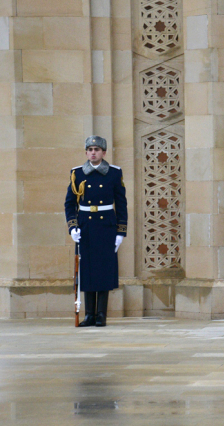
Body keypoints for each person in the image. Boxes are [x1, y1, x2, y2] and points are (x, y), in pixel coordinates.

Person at [65, 136, 128, 327]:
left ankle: (101, 314)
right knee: (87, 270)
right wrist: (73, 227)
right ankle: (89, 315)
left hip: (106, 226)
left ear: (104, 153)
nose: (93, 152)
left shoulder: (114, 173)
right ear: (86, 152)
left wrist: (120, 232)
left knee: (104, 269)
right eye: (90, 149)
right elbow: (70, 203)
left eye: (97, 149)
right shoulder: (77, 173)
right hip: (86, 227)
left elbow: (122, 204)